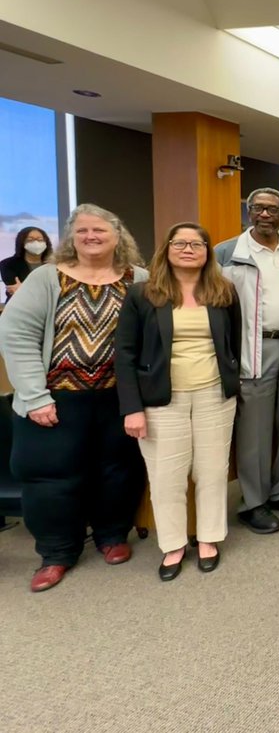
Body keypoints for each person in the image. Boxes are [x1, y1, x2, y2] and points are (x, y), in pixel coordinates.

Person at [0, 204, 147, 593]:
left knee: (118, 471)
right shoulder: (47, 278)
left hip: (119, 398)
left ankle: (112, 536)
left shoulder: (140, 279)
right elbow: (17, 337)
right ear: (71, 238)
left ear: (118, 236)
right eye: (81, 231)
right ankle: (56, 552)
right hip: (56, 400)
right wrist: (35, 397)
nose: (90, 236)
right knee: (51, 478)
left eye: (99, 230)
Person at [114, 223, 241, 580]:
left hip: (214, 394)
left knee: (212, 471)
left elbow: (234, 342)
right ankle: (172, 545)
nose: (188, 249)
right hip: (160, 400)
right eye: (180, 242)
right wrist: (132, 408)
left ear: (207, 251)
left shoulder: (223, 291)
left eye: (197, 243)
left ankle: (209, 538)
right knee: (166, 476)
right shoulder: (143, 294)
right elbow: (124, 354)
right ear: (167, 249)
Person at [214, 188, 279, 534]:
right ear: (249, 213)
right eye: (258, 208)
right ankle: (253, 502)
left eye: (272, 209)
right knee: (253, 431)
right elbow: (216, 310)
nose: (265, 214)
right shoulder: (226, 252)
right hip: (253, 349)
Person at [1, 226, 53, 302]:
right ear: (22, 243)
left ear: (46, 242)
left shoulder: (55, 264)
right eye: (30, 240)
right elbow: (14, 291)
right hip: (19, 308)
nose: (36, 243)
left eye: (40, 240)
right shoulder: (7, 264)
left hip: (49, 309)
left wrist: (23, 290)